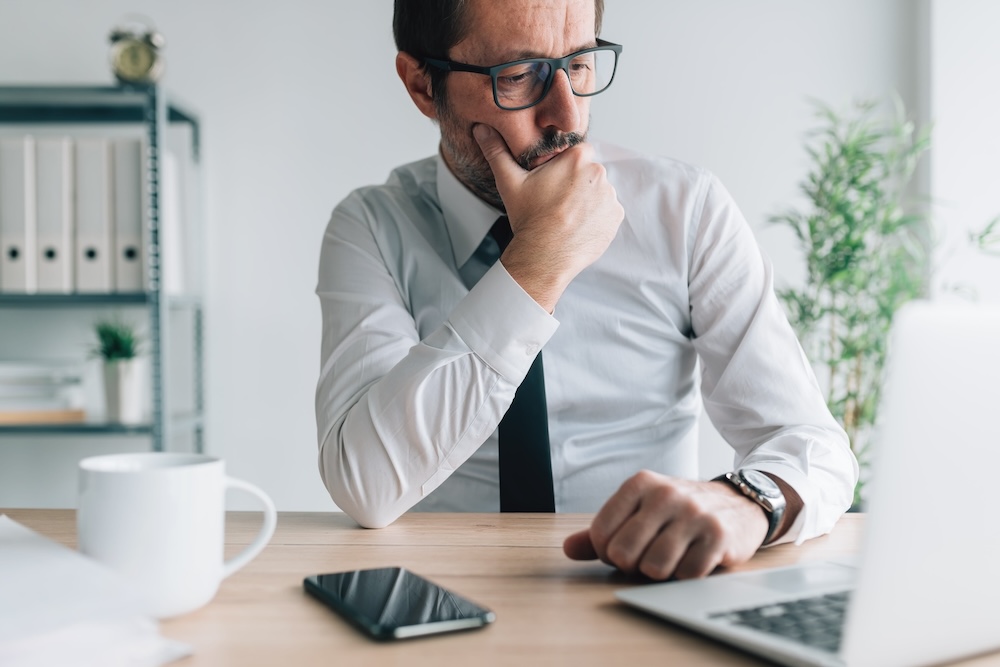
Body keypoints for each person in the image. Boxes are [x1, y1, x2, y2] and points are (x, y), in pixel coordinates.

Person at [315, 0, 858, 581]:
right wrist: (538, 263)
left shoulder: (685, 210)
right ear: (422, 85)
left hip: (643, 589)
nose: (567, 115)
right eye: (519, 75)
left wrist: (744, 501)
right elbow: (365, 484)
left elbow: (811, 444)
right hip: (443, 595)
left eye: (578, 63)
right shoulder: (373, 226)